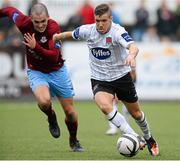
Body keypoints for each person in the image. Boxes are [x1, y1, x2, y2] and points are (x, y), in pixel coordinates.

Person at [53, 3, 159, 156]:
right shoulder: (88, 30)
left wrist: (130, 55)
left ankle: (149, 138)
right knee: (104, 106)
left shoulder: (117, 32)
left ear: (110, 19)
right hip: (99, 79)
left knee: (136, 113)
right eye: (97, 21)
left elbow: (133, 46)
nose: (100, 24)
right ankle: (135, 137)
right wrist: (58, 36)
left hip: (121, 77)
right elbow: (71, 34)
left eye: (104, 21)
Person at [0, 3, 84, 152]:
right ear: (31, 19)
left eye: (43, 21)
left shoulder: (53, 28)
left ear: (48, 18)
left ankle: (73, 140)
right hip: (36, 71)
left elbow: (53, 57)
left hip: (57, 71)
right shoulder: (23, 22)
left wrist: (35, 47)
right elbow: (8, 10)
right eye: (36, 22)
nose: (40, 25)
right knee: (44, 102)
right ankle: (51, 117)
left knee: (70, 113)